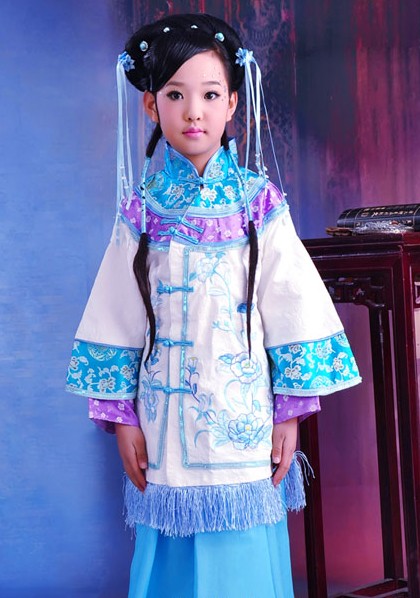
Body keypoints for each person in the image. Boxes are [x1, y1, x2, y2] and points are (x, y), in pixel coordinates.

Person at [66, 13, 361, 597]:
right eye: (175, 95)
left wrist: (289, 411)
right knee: (169, 563)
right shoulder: (144, 209)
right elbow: (116, 316)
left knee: (242, 564)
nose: (193, 112)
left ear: (231, 104)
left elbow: (293, 305)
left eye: (208, 95)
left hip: (242, 418)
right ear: (152, 106)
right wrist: (122, 417)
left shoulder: (258, 203)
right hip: (163, 422)